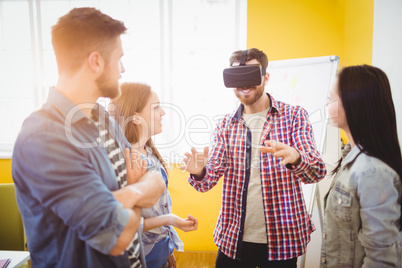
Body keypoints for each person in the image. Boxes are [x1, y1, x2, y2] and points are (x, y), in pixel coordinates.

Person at [11, 8, 165, 268]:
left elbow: (156, 178)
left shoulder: (103, 118)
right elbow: (117, 237)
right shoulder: (43, 139)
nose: (123, 69)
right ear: (96, 61)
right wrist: (138, 192)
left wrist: (126, 195)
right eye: (119, 59)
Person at [181, 48, 327, 267]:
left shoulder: (295, 116)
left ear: (266, 77)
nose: (243, 84)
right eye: (236, 77)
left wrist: (296, 157)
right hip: (234, 237)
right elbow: (207, 182)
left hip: (283, 238)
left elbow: (317, 171)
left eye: (251, 75)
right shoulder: (225, 125)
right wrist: (199, 171)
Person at [110, 82, 199, 268]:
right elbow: (122, 223)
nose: (163, 113)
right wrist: (171, 220)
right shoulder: (124, 161)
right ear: (136, 118)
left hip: (159, 250)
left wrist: (167, 250)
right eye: (156, 107)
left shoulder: (148, 151)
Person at [321, 65, 402, 267]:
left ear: (352, 103)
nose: (327, 105)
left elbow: (381, 260)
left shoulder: (372, 172)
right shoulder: (351, 156)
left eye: (331, 98)